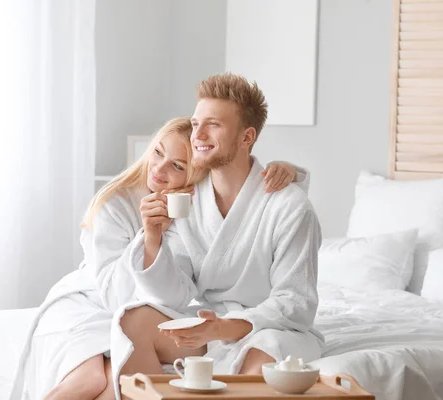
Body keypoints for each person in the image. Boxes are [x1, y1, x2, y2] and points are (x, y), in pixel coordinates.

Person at [3, 117, 304, 399]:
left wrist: (288, 170)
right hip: (91, 302)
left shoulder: (191, 205)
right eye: (157, 152)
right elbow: (116, 296)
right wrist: (149, 236)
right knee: (90, 380)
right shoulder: (115, 205)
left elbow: (244, 205)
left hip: (144, 309)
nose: (159, 169)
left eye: (176, 165)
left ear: (196, 176)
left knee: (112, 386)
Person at [117, 73, 324, 391]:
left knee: (263, 355)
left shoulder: (290, 207)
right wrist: (153, 238)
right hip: (208, 325)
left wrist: (227, 328)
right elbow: (176, 294)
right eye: (195, 122)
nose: (196, 134)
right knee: (134, 320)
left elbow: (296, 301)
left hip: (271, 329)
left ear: (246, 137)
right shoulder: (186, 199)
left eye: (213, 124)